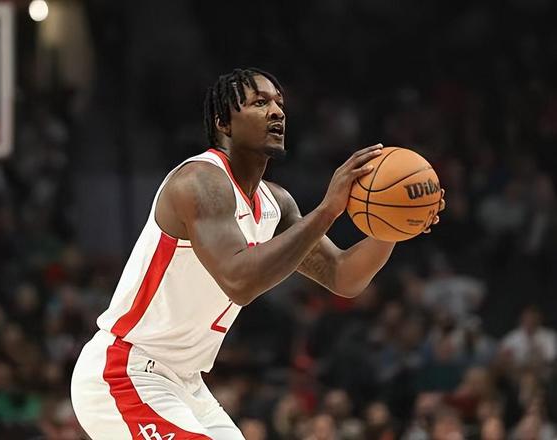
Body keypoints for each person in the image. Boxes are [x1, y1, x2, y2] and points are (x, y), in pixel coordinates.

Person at [70, 67, 445, 439]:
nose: (277, 111)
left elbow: (344, 276)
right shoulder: (199, 182)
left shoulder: (275, 203)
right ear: (224, 122)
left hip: (186, 382)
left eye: (279, 103)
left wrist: (395, 225)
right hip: (124, 372)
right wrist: (328, 210)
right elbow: (240, 281)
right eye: (259, 103)